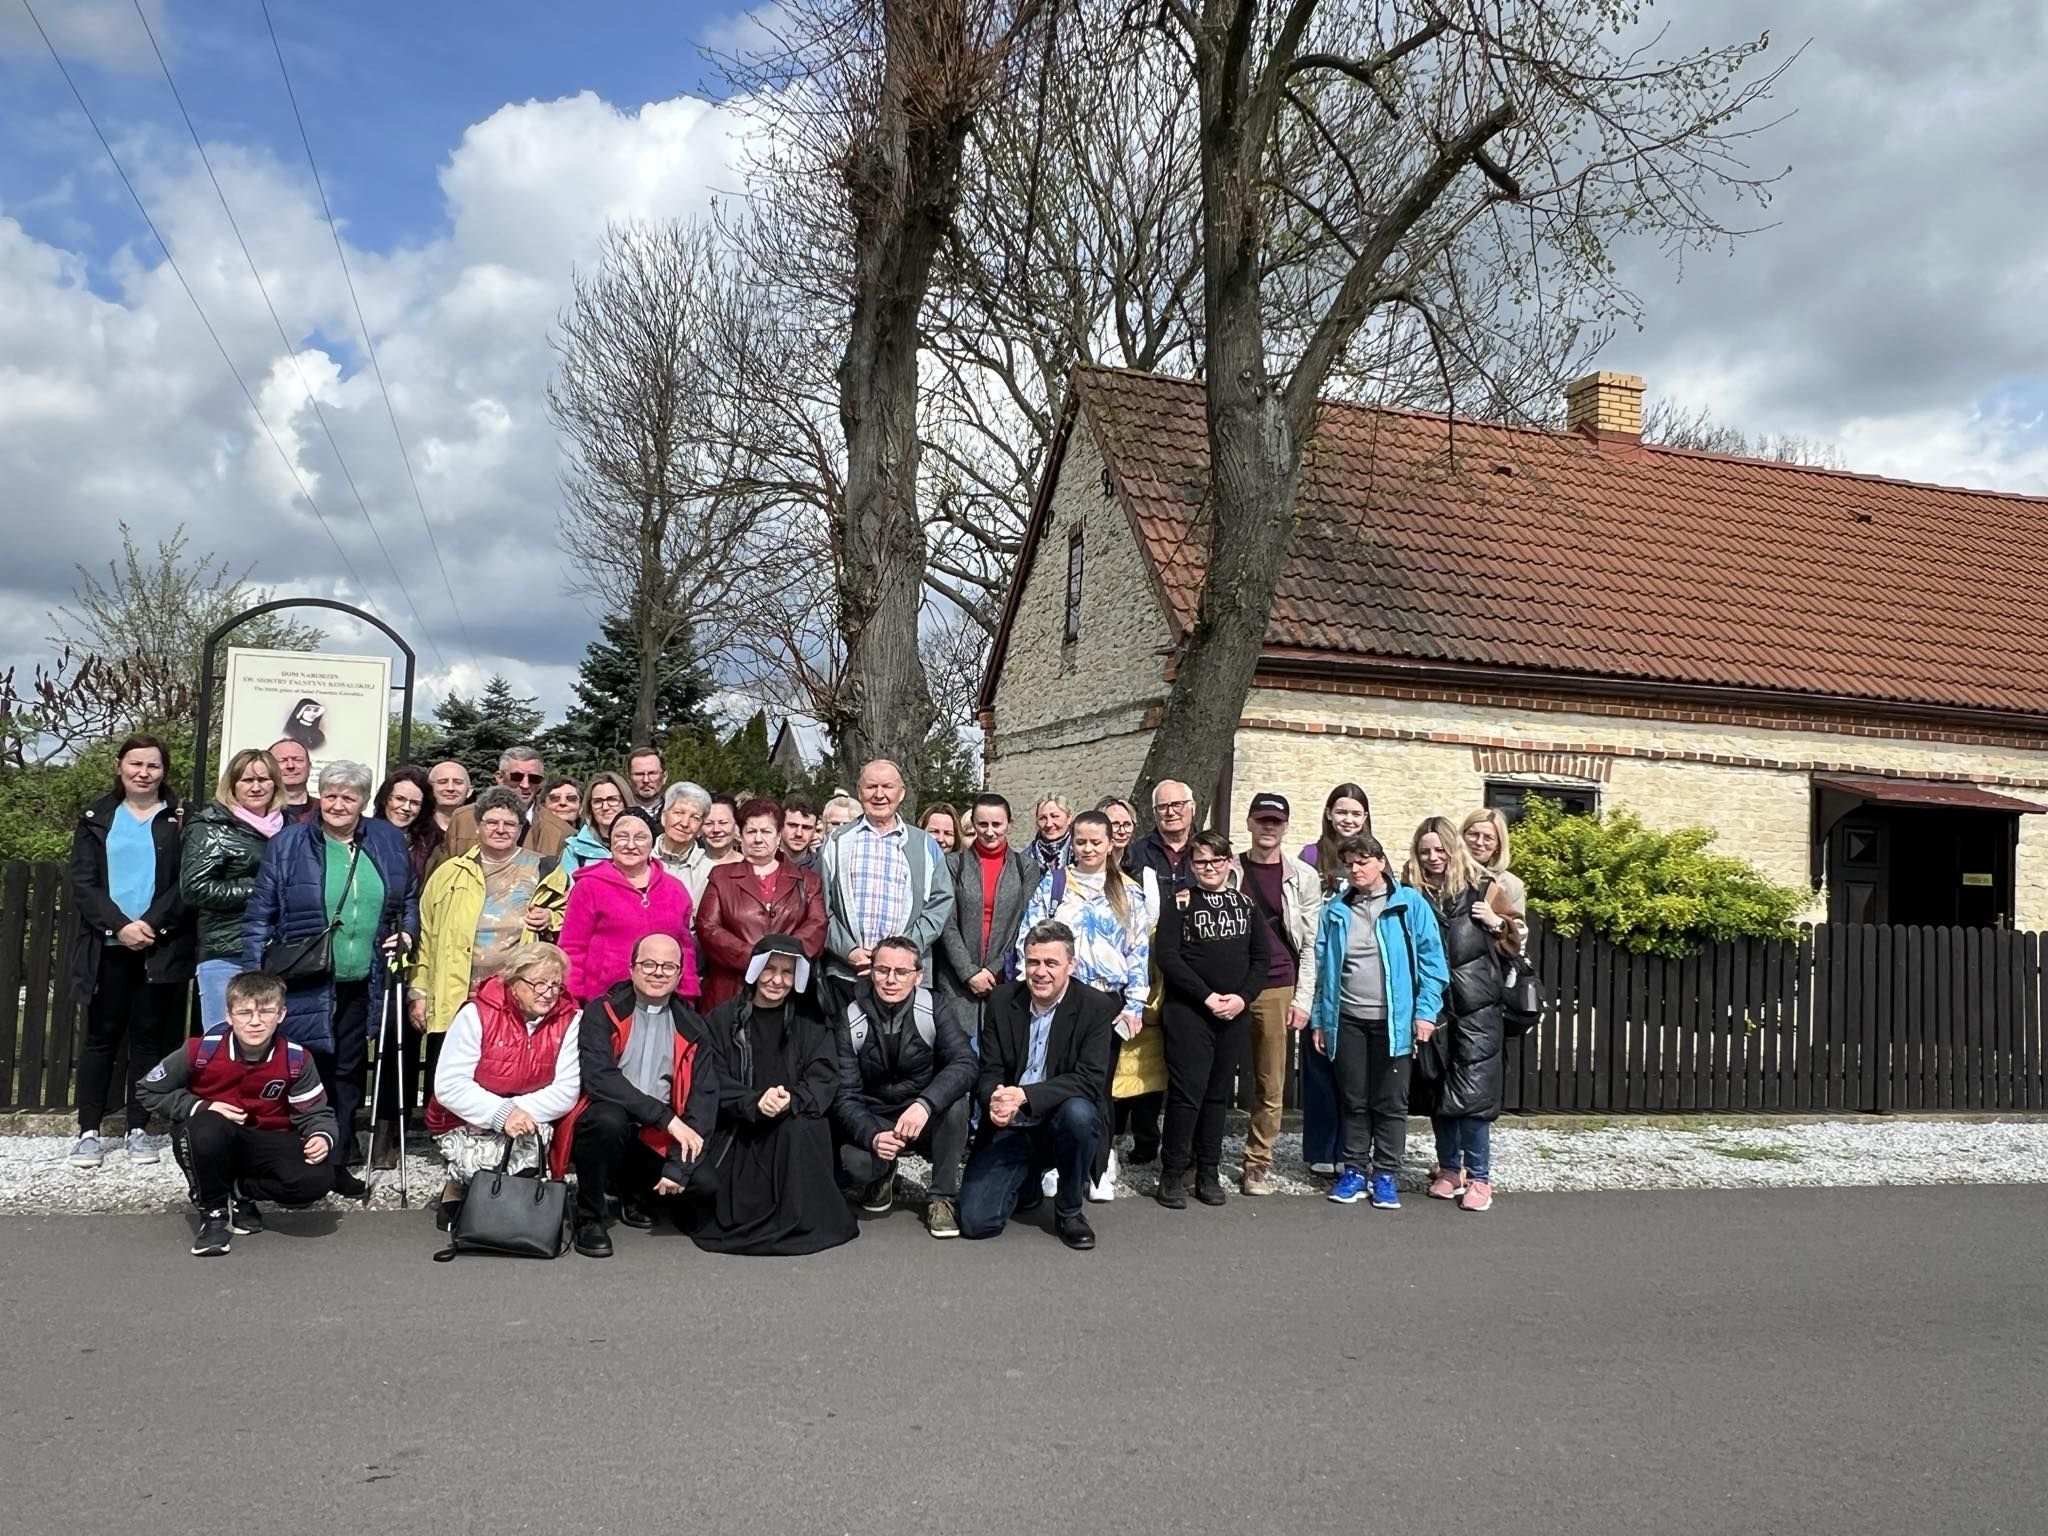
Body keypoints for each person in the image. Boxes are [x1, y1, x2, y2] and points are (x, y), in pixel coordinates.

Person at [241, 758, 417, 1195]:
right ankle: (290, 1158)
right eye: (332, 795)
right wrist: (254, 980)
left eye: (349, 797)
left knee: (348, 1069)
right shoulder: (289, 843)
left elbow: (408, 898)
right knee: (303, 1066)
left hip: (363, 978)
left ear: (363, 801)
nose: (338, 805)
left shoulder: (387, 840)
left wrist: (407, 934)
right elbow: (261, 912)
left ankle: (336, 1161)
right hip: (303, 977)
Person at [137, 970, 338, 1257]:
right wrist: (202, 1106)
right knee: (205, 1128)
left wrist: (321, 1135)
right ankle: (214, 1213)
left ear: (281, 1014)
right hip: (211, 1136)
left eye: (265, 1012)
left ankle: (241, 1192)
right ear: (229, 1016)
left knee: (317, 1180)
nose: (255, 1022)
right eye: (244, 1013)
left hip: (264, 1140)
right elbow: (148, 1090)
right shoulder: (199, 1050)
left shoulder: (296, 1058)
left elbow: (316, 1112)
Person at [405, 786, 554, 1166]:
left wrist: (551, 918)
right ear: (478, 825)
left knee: (506, 1073)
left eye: (510, 823)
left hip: (514, 996)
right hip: (458, 993)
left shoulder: (545, 870)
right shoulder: (449, 873)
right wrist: (419, 990)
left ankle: (503, 1148)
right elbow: (428, 936)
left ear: (521, 828)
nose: (500, 829)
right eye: (492, 822)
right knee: (453, 1075)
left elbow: (570, 919)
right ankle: (451, 1148)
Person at [65, 733, 192, 1169]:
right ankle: (88, 1131)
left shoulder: (180, 819)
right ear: (119, 766)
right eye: (136, 763)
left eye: (153, 765)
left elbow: (186, 882)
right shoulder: (97, 817)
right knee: (101, 1039)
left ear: (164, 771)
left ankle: (139, 1127)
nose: (144, 772)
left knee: (148, 1039)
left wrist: (151, 924)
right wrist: (120, 926)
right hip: (107, 947)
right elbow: (83, 882)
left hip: (159, 946)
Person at [551, 934, 718, 1257]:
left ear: (680, 974)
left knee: (704, 1184)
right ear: (631, 968)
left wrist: (678, 1167)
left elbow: (704, 1100)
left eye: (668, 966)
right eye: (649, 964)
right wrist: (666, 1118)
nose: (658, 972)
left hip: (656, 1133)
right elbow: (600, 1079)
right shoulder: (603, 1011)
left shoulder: (694, 1027)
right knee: (608, 1121)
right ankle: (590, 1215)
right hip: (610, 1118)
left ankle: (635, 1191)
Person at [691, 934, 857, 1256]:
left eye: (787, 972)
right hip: (739, 1127)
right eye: (770, 969)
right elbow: (712, 1078)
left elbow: (823, 1076)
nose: (777, 980)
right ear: (755, 970)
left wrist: (792, 1099)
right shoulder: (721, 1021)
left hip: (793, 1121)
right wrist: (753, 1102)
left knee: (798, 1129)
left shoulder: (811, 1023)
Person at [1012, 809, 1149, 1199]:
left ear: (1110, 843)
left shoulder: (1128, 891)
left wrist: (1135, 1004)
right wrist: (1029, 985)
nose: (1088, 849)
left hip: (1107, 1001)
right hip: (1061, 996)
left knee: (1098, 1086)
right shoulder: (1054, 885)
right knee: (1056, 1079)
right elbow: (1030, 936)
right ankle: (1057, 1162)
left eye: (1095, 842)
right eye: (1081, 841)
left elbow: (1139, 949)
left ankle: (1098, 1166)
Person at [1307, 833, 1448, 1210]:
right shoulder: (1336, 910)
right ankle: (1354, 1170)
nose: (1355, 869)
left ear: (1381, 862)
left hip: (1394, 1022)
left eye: (1363, 861)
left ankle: (1385, 1173)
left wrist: (1425, 1012)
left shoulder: (1409, 904)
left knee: (1390, 1101)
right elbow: (1322, 970)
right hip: (1348, 1019)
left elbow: (1433, 964)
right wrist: (1320, 1019)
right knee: (1353, 1099)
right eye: (1349, 864)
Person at [957, 920, 1116, 1249]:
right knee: (976, 1222)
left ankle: (1069, 1210)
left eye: (1051, 963)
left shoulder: (1095, 1007)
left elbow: (1089, 1080)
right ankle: (1027, 1182)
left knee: (1080, 1114)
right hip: (1012, 1124)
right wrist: (995, 1100)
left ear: (1071, 965)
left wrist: (1024, 1095)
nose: (1040, 972)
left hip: (1061, 1120)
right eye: (1033, 962)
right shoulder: (1002, 1000)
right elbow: (989, 1068)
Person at [831, 935, 977, 1237]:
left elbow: (965, 1062)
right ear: (871, 972)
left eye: (901, 972)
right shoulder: (850, 1016)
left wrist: (926, 1104)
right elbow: (845, 1095)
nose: (891, 980)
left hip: (922, 1115)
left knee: (957, 1105)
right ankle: (883, 1173)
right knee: (856, 1164)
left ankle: (941, 1198)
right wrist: (872, 1136)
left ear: (918, 976)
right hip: (876, 1117)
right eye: (883, 970)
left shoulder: (934, 1006)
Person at [1152, 831, 1268, 1209]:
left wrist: (1242, 998)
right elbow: (1168, 957)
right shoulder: (1179, 903)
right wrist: (1206, 996)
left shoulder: (1245, 905)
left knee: (1217, 1095)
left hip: (1233, 1013)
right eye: (1201, 861)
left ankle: (1208, 1171)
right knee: (1187, 1094)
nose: (1209, 868)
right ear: (1191, 865)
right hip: (1189, 1011)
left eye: (1216, 860)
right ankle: (1172, 1172)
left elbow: (1261, 960)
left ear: (1228, 862)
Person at [426, 943, 580, 1223]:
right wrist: (501, 1113)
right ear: (514, 983)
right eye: (538, 984)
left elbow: (566, 1091)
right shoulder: (476, 1013)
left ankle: (509, 1193)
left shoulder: (570, 1019)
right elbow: (450, 1084)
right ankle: (457, 1185)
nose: (548, 993)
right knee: (477, 1163)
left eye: (555, 985)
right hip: (466, 1116)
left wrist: (515, 1112)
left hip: (531, 1114)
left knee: (518, 1168)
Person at [1407, 816, 1515, 1213]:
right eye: (1425, 851)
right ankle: (1450, 1169)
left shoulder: (1484, 888)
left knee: (1475, 1097)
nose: (1433, 857)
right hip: (1434, 1007)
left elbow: (1516, 941)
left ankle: (1480, 1178)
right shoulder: (1411, 894)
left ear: (1454, 849)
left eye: (1440, 849)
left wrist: (1498, 923)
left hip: (1478, 1009)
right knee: (1439, 1091)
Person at [1227, 792, 1321, 1194]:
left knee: (1270, 1081)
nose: (1268, 827)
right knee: (1215, 1074)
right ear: (1249, 823)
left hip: (1278, 983)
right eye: (1262, 820)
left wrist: (1303, 999)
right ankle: (1201, 1156)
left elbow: (1311, 943)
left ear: (1285, 827)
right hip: (1231, 983)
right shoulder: (1229, 869)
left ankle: (1257, 1162)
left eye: (1276, 822)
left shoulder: (1303, 876)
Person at [815, 759, 957, 1016]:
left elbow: (940, 903)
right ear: (859, 791)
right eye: (871, 787)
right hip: (847, 975)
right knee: (845, 1041)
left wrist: (900, 953)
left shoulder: (925, 845)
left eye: (887, 787)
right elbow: (820, 906)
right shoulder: (836, 843)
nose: (879, 795)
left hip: (905, 977)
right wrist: (848, 950)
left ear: (901, 792)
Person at [181, 746, 285, 1032]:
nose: (256, 787)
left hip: (277, 952)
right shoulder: (209, 826)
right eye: (247, 780)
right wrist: (258, 890)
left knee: (269, 1041)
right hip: (227, 950)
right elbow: (195, 888)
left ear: (275, 784)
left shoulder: (289, 828)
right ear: (232, 785)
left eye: (263, 780)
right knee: (223, 1040)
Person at [694, 798, 827, 1010]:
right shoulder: (721, 877)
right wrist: (755, 957)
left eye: (766, 832)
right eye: (751, 832)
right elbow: (708, 927)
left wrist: (782, 957)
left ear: (778, 835)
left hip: (786, 988)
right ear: (740, 835)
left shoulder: (808, 881)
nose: (758, 839)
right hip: (731, 989)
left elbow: (817, 924)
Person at [558, 808, 697, 1003]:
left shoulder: (675, 889)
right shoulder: (589, 887)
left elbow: (685, 949)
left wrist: (688, 996)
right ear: (610, 842)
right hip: (603, 1001)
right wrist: (572, 1000)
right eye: (622, 836)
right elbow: (572, 948)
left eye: (640, 838)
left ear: (652, 843)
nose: (631, 845)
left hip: (664, 1001)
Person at [935, 793, 1036, 1041]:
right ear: (973, 825)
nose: (990, 832)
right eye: (982, 824)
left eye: (997, 824)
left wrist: (994, 968)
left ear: (1009, 824)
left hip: (1004, 981)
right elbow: (946, 922)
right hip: (957, 983)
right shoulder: (952, 865)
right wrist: (968, 972)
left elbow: (1025, 924)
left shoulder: (1026, 868)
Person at [436, 745, 572, 865]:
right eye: (516, 777)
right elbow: (444, 872)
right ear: (500, 777)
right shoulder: (463, 819)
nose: (525, 785)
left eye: (534, 779)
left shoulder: (560, 832)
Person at [372, 765, 440, 884]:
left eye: (415, 803)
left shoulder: (433, 844)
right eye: (400, 799)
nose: (406, 808)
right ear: (385, 799)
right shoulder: (364, 835)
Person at [653, 781, 713, 908]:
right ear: (664, 817)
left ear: (701, 829)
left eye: (695, 818)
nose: (685, 823)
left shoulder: (709, 872)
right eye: (678, 813)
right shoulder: (641, 860)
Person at [1461, 807, 1528, 915]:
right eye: (1473, 834)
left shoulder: (1513, 885)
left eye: (1488, 838)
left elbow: (1518, 925)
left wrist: (1495, 921)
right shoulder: (1444, 872)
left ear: (1498, 845)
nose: (1479, 842)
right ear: (1462, 836)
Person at [561, 771, 631, 876]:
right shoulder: (575, 850)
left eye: (612, 800)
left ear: (625, 802)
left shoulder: (642, 844)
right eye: (598, 801)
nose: (605, 807)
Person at [1303, 783, 1373, 887]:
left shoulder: (1374, 857)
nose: (1348, 820)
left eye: (1356, 814)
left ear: (1364, 817)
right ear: (1329, 813)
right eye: (1341, 812)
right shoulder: (1310, 854)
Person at [269, 738, 315, 823]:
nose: (290, 766)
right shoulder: (259, 812)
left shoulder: (325, 810)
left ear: (309, 767)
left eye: (298, 760)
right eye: (282, 761)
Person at [427, 759, 472, 836]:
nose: (450, 788)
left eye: (458, 782)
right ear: (429, 788)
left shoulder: (480, 828)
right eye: (442, 782)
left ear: (469, 791)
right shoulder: (416, 828)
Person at [1029, 794, 1073, 872]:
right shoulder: (1025, 858)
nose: (1049, 824)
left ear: (1069, 818)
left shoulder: (1082, 854)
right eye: (1042, 818)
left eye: (1055, 816)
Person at [1096, 796, 1139, 873]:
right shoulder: (1088, 865)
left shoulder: (1140, 865)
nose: (1122, 831)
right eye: (1115, 824)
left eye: (1127, 824)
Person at [701, 795, 742, 867]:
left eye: (723, 823)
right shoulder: (689, 868)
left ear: (736, 826)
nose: (716, 830)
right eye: (708, 823)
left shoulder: (753, 867)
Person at [780, 793, 820, 868]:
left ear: (814, 830)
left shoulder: (823, 869)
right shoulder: (760, 864)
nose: (799, 833)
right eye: (793, 825)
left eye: (806, 827)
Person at [626, 746, 668, 816]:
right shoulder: (620, 815)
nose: (646, 780)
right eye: (639, 774)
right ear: (629, 778)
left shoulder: (676, 813)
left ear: (664, 777)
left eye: (652, 773)